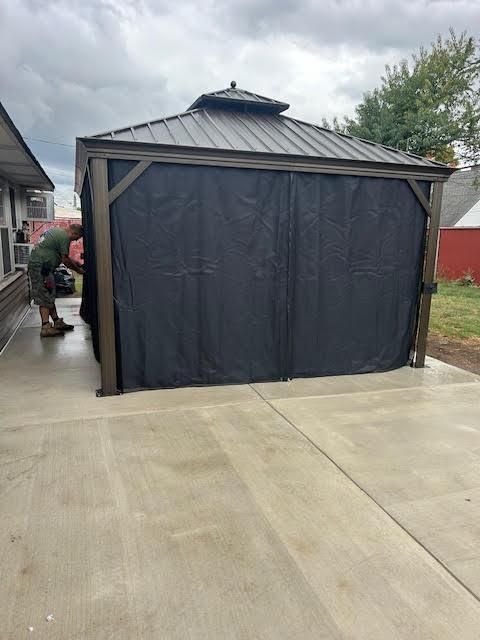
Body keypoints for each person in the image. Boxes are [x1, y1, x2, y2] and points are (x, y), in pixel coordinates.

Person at [28, 224, 84, 337]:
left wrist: (75, 263)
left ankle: (56, 321)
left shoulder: (56, 232)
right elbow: (65, 260)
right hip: (41, 267)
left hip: (42, 266)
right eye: (77, 238)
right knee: (44, 296)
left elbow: (61, 256)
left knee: (49, 294)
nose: (76, 240)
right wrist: (78, 270)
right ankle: (45, 327)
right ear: (74, 233)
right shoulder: (64, 237)